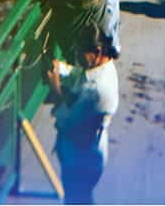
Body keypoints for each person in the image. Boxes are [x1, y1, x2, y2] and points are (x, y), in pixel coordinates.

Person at [45, 26, 119, 205]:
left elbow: (69, 117)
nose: (77, 57)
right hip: (86, 150)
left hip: (81, 157)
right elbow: (81, 77)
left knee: (76, 198)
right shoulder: (103, 67)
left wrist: (55, 86)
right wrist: (61, 68)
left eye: (80, 52)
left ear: (97, 51)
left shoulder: (96, 89)